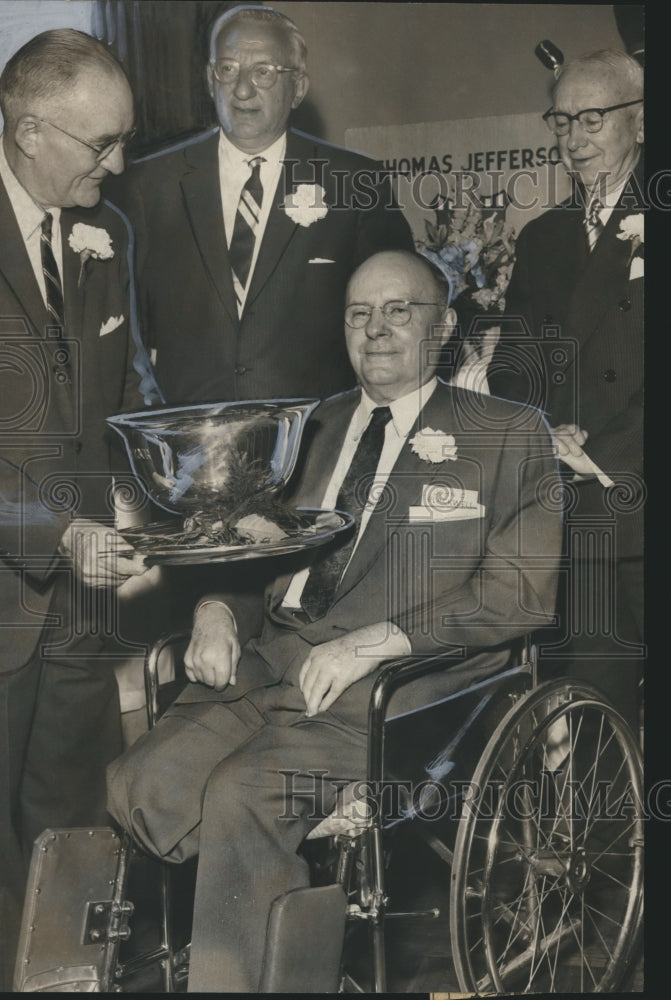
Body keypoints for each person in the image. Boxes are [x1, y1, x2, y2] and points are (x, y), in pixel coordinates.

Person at [108, 249, 561, 992]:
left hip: (404, 691)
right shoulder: (308, 426)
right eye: (358, 313)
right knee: (140, 782)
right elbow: (250, 552)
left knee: (242, 800)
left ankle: (250, 973)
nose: (375, 330)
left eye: (397, 310)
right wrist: (217, 610)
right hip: (271, 669)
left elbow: (519, 593)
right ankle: (272, 927)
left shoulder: (506, 433)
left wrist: (372, 642)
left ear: (444, 326)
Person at [0, 29, 153, 986]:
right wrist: (59, 537)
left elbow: (125, 406)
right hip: (16, 581)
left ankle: (65, 982)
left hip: (86, 608)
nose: (120, 163)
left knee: (71, 827)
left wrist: (145, 510)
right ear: (25, 133)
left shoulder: (109, 235)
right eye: (100, 145)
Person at [113, 3, 414, 406]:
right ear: (209, 78)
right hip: (189, 442)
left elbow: (399, 317)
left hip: (317, 440)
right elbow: (122, 330)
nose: (241, 90)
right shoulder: (148, 186)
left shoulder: (355, 183)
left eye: (264, 72)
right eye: (228, 69)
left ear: (299, 87)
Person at [488, 50, 644, 730]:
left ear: (639, 122)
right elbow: (510, 367)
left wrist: (603, 448)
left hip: (637, 484)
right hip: (572, 512)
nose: (573, 139)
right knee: (592, 703)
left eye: (591, 119)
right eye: (560, 122)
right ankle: (608, 837)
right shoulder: (543, 236)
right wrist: (543, 429)